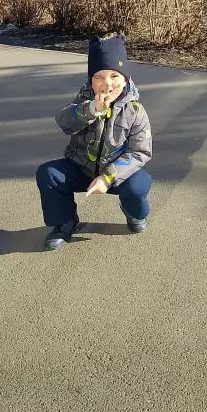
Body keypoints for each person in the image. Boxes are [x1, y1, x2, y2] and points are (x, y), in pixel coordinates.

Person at [35, 34, 153, 251]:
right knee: (48, 173)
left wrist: (108, 177)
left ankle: (134, 213)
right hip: (81, 168)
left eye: (114, 76)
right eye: (99, 77)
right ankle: (65, 222)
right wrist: (91, 110)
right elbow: (63, 121)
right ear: (91, 80)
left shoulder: (135, 111)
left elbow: (140, 152)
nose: (107, 84)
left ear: (125, 79)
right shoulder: (84, 100)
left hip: (117, 174)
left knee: (138, 185)